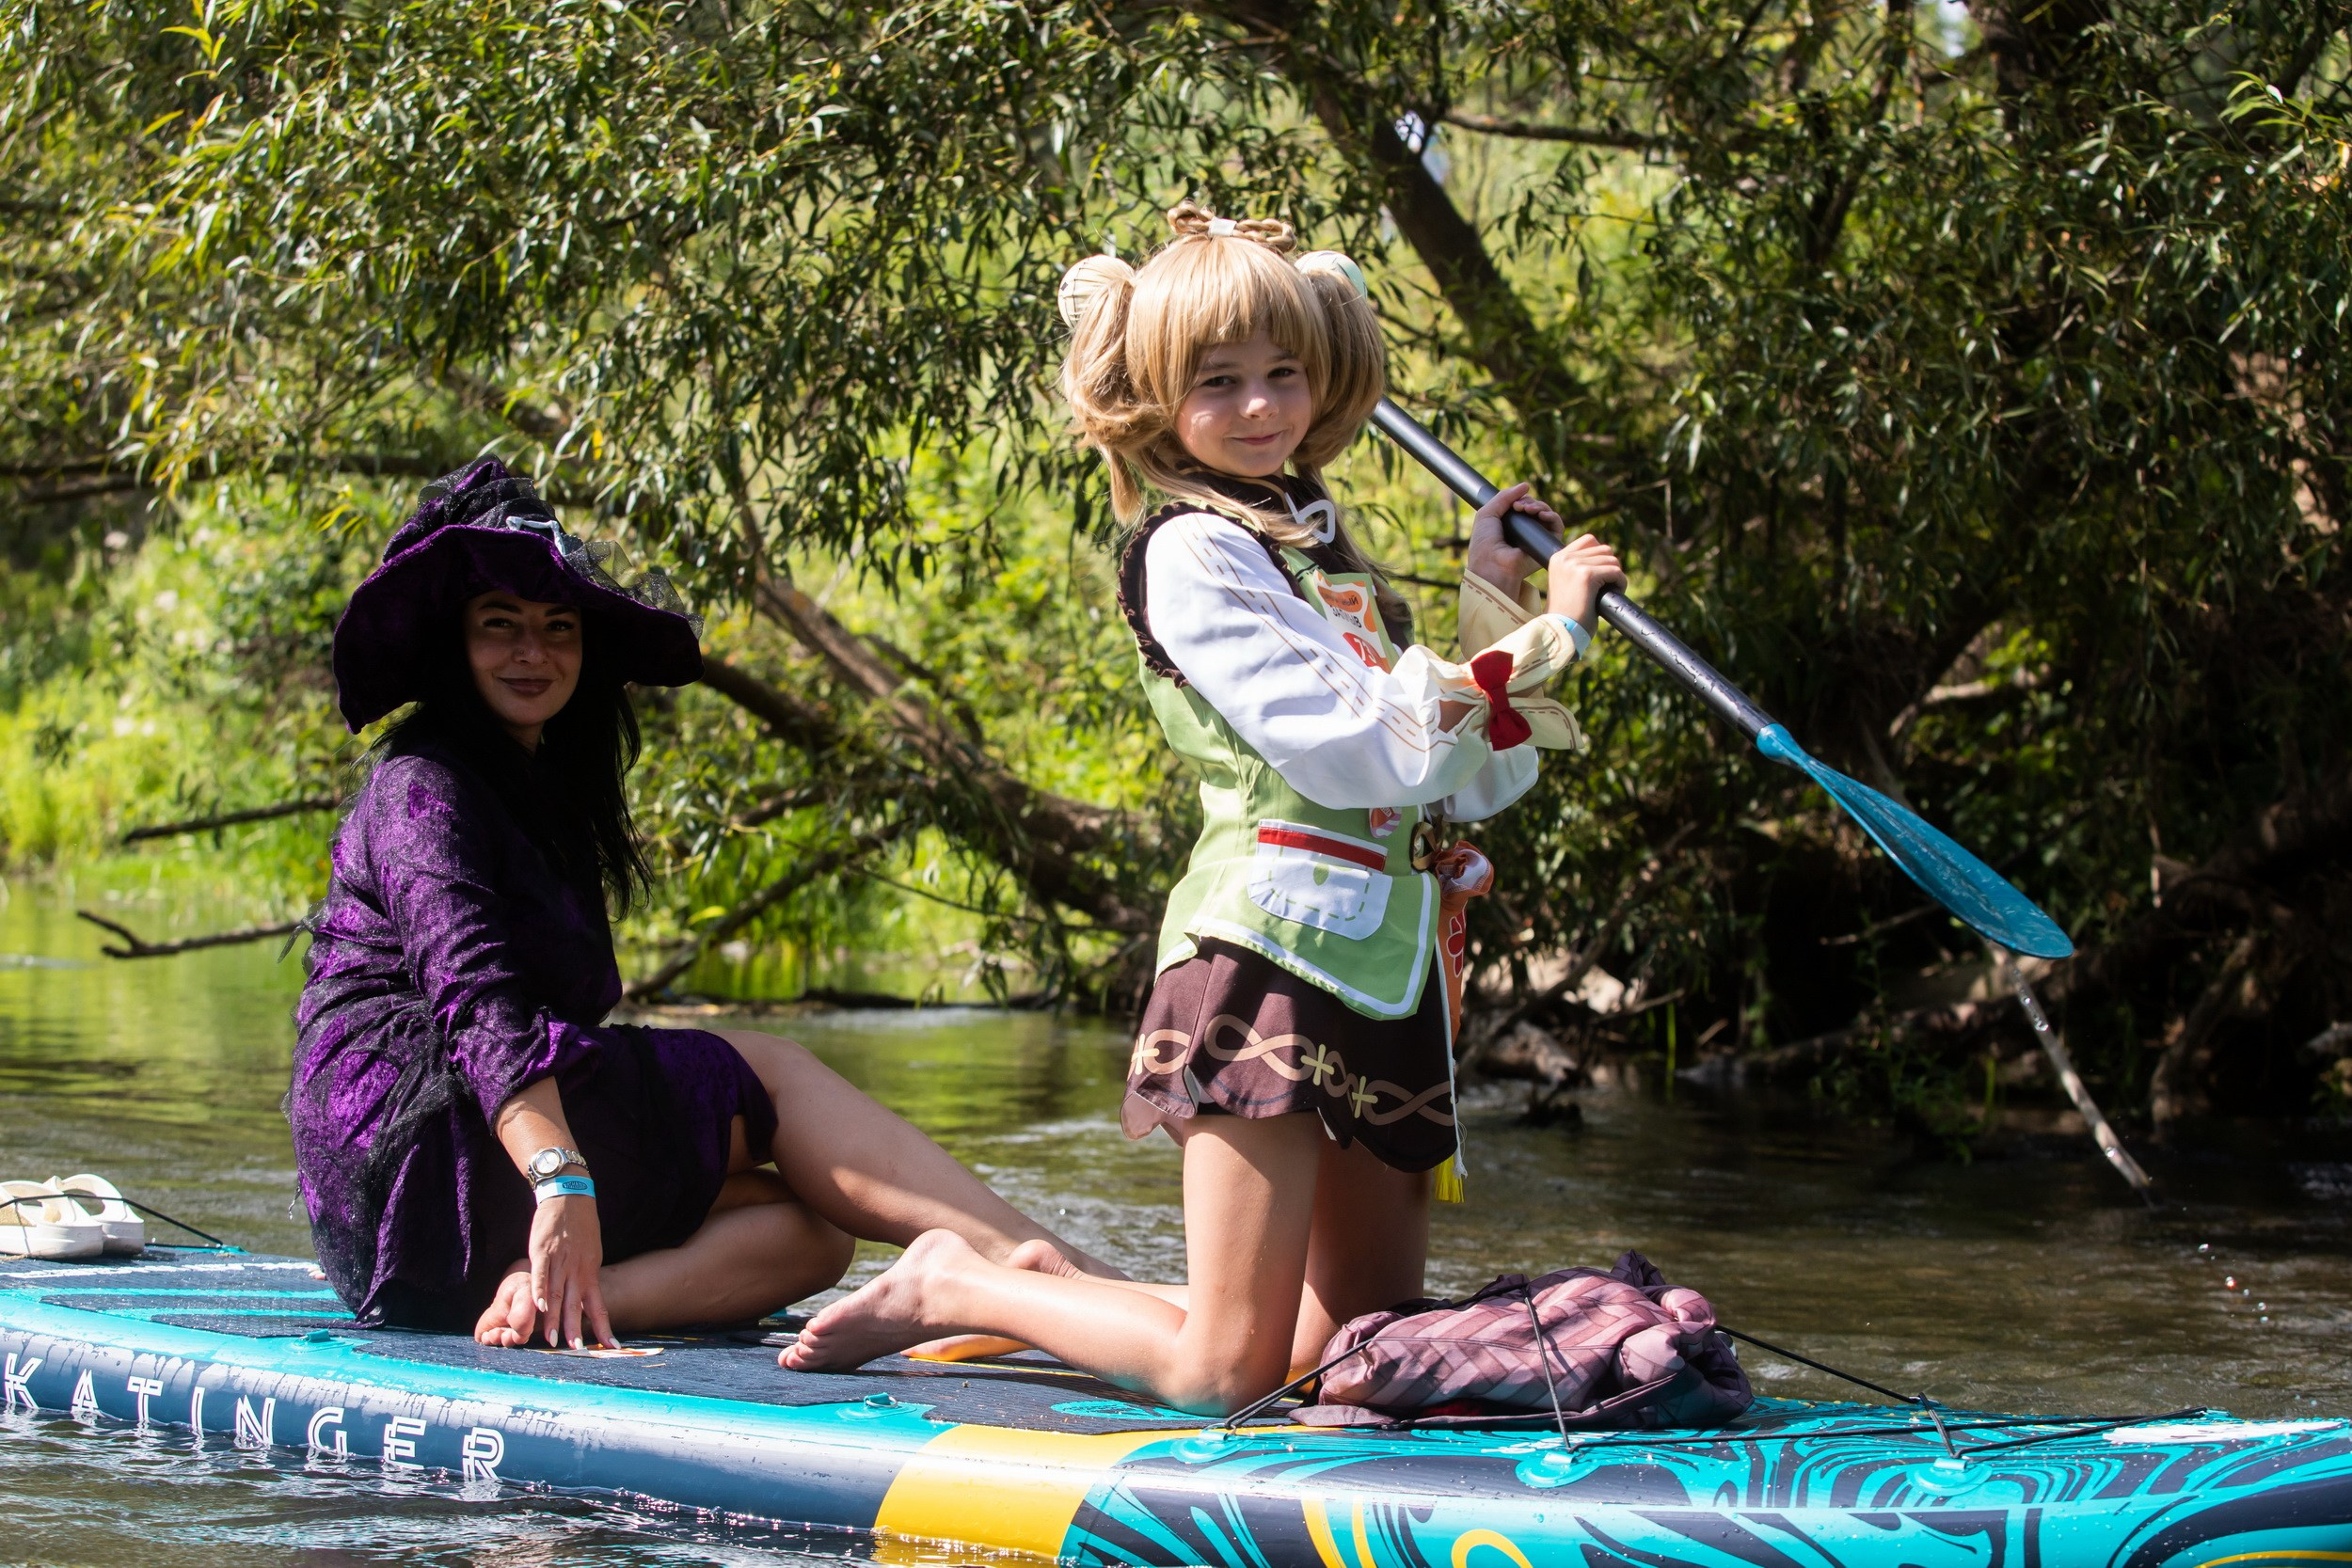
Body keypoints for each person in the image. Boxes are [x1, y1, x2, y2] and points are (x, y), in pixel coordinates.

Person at [781, 203, 1625, 1413]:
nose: (1260, 406)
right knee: (1220, 1373)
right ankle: (961, 1285)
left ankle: (1014, 1287)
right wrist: (1555, 632)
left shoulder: (1326, 562)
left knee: (1348, 1356)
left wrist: (1491, 599)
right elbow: (1354, 751)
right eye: (1218, 382)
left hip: (1390, 974)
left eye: (1283, 373)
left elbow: (1469, 770)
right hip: (1266, 951)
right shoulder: (1190, 552)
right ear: (1158, 396)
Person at [292, 459, 1113, 1348]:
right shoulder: (422, 785)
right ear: (455, 643)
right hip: (417, 1155)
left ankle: (552, 1299)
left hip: (484, 1186)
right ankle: (1052, 1272)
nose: (532, 653)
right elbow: (476, 1003)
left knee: (811, 1232)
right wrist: (561, 1180)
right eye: (500, 627)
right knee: (768, 1071)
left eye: (556, 628)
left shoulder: (538, 789)